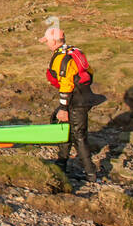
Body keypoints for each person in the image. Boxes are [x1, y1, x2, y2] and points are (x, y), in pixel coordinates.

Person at [42, 25, 98, 183]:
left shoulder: (61, 58)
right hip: (83, 96)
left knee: (78, 135)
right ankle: (61, 165)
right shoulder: (74, 51)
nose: (46, 44)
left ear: (54, 42)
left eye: (47, 41)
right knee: (64, 128)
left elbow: (66, 85)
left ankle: (91, 174)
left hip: (75, 100)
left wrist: (64, 108)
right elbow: (89, 72)